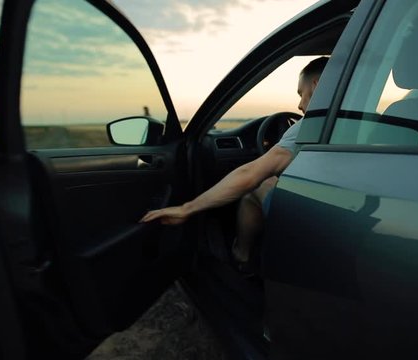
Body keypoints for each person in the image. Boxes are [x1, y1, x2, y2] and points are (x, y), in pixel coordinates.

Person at [140, 56, 329, 269]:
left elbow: (250, 174)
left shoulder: (310, 126)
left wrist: (187, 209)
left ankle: (242, 256)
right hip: (337, 201)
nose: (300, 104)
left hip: (318, 216)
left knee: (258, 187)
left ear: (317, 85)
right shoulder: (361, 121)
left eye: (301, 93)